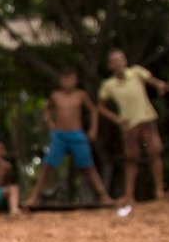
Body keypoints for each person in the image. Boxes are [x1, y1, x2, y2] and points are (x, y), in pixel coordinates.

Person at [24, 70, 112, 209]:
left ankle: (103, 196)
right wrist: (50, 124)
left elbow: (93, 110)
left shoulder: (81, 95)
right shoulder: (56, 96)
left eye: (71, 78)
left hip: (77, 134)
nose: (68, 82)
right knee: (48, 165)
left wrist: (93, 130)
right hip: (59, 135)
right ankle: (34, 197)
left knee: (88, 165)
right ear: (60, 81)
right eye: (65, 79)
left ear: (76, 80)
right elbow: (46, 110)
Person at [96, 49, 169, 205]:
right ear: (110, 65)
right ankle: (129, 195)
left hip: (146, 118)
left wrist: (160, 85)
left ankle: (159, 191)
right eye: (115, 60)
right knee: (131, 157)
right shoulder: (109, 85)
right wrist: (117, 119)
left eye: (121, 59)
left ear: (126, 60)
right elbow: (101, 107)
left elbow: (153, 81)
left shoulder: (137, 72)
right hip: (128, 124)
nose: (119, 62)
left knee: (154, 152)